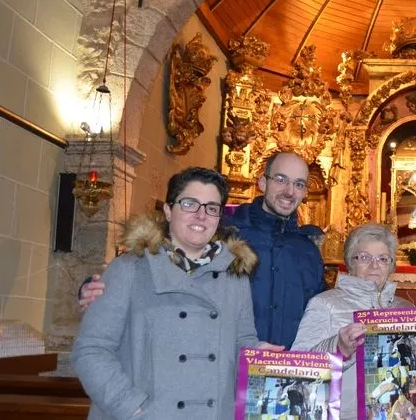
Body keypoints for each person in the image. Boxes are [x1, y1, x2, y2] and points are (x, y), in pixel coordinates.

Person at [71, 167, 282, 419]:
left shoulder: (235, 277)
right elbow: (91, 350)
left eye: (212, 207)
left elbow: (241, 341)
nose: (201, 215)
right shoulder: (128, 269)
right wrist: (131, 406)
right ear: (169, 210)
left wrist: (258, 352)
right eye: (190, 204)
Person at [79, 151, 326, 348]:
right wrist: (97, 286)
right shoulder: (223, 227)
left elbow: (322, 310)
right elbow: (161, 256)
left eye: (299, 184)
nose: (289, 191)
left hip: (285, 373)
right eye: (281, 179)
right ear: (263, 182)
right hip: (222, 366)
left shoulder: (308, 252)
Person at [292, 223, 412, 420]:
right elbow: (299, 368)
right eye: (364, 257)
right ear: (350, 262)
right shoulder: (324, 304)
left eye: (383, 259)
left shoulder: (406, 308)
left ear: (391, 265)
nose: (375, 265)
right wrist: (338, 348)